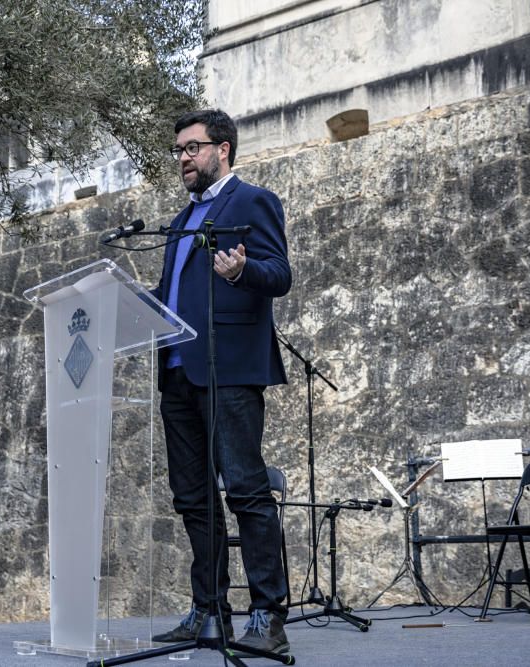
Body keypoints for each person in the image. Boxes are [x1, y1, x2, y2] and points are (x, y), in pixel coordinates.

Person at [149, 109, 292, 655]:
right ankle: (209, 610)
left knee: (247, 491)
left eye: (192, 148)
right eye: (179, 150)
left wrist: (241, 272)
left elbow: (279, 274)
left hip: (228, 369)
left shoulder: (252, 201)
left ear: (223, 149)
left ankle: (266, 616)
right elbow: (174, 292)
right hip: (178, 372)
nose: (183, 158)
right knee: (193, 499)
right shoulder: (181, 219)